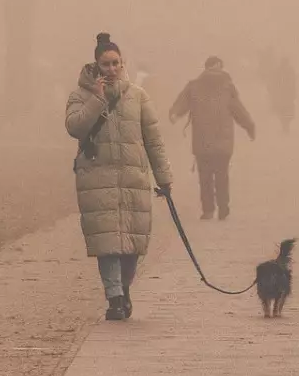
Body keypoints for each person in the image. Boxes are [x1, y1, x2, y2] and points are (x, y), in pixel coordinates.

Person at [65, 33, 173, 322]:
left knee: (132, 244)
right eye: (105, 64)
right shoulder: (80, 96)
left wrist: (164, 178)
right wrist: (97, 100)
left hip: (132, 178)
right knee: (108, 244)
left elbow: (153, 140)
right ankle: (114, 297)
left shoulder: (138, 96)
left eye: (115, 63)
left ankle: (124, 289)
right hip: (97, 179)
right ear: (96, 66)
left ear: (122, 63)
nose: (111, 69)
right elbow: (74, 128)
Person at [169, 56, 256, 220]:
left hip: (202, 140)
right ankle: (223, 208)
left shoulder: (193, 86)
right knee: (222, 175)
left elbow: (180, 105)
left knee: (205, 177)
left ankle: (208, 210)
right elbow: (238, 110)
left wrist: (174, 114)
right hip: (223, 141)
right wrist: (250, 127)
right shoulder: (227, 87)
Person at [267, 56, 298, 134]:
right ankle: (285, 127)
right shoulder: (283, 71)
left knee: (284, 112)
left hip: (284, 95)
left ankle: (285, 127)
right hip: (284, 95)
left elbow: (293, 82)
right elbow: (275, 82)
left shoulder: (285, 71)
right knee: (284, 112)